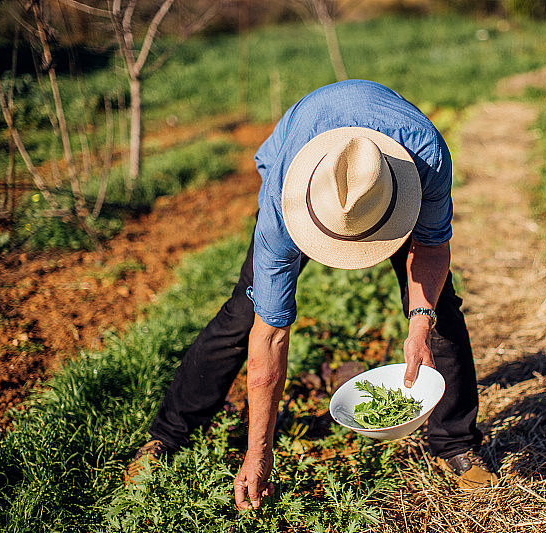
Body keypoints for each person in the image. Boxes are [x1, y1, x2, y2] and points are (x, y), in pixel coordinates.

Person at [124, 79, 497, 508]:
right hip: (300, 152)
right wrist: (258, 453)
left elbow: (431, 247)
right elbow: (270, 335)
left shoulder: (426, 157)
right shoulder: (282, 213)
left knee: (440, 313)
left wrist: (419, 321)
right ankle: (169, 434)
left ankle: (455, 442)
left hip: (391, 169)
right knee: (244, 315)